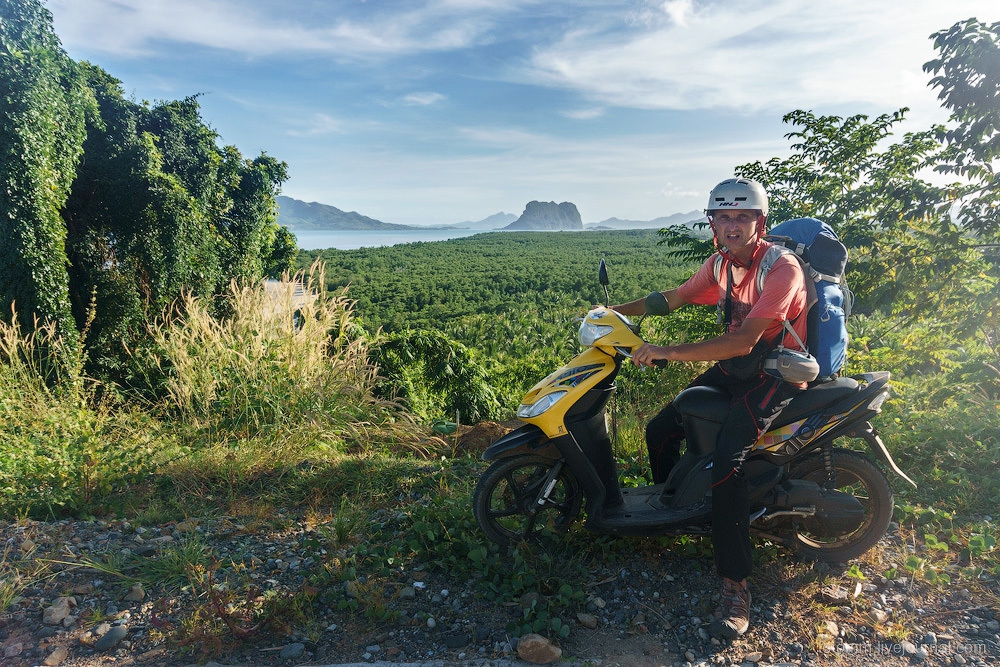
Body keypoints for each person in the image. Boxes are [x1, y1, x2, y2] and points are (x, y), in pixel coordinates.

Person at [608, 177, 809, 639]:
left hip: (774, 373)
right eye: (724, 217)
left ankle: (736, 585)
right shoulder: (720, 265)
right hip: (737, 368)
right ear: (712, 223)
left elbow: (743, 339)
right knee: (662, 428)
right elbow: (672, 299)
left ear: (760, 221)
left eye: (743, 217)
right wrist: (612, 313)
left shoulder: (783, 269)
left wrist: (666, 351)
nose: (733, 225)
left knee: (727, 461)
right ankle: (674, 513)